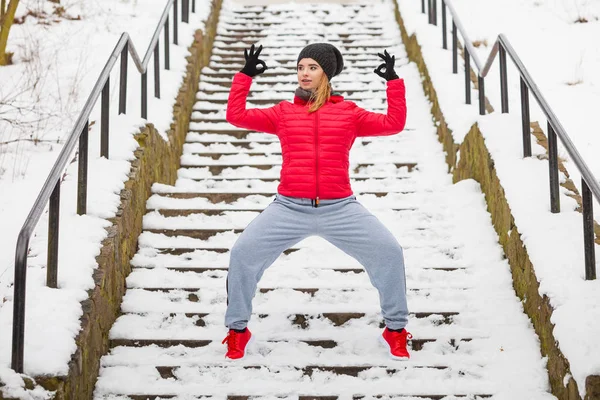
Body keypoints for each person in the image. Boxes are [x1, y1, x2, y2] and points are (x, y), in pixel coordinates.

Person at [221, 43, 410, 361]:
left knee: (389, 253)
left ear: (327, 73)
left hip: (341, 208)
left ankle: (396, 330)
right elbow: (236, 116)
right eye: (300, 67)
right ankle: (237, 331)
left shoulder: (349, 113)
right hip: (289, 208)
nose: (304, 73)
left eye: (312, 67)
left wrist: (393, 82)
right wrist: (244, 76)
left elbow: (394, 123)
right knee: (242, 255)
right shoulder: (283, 112)